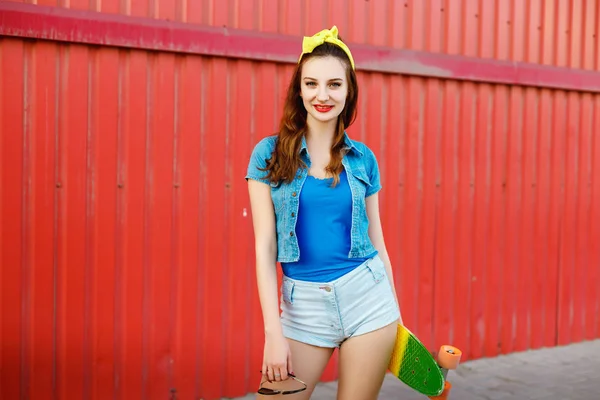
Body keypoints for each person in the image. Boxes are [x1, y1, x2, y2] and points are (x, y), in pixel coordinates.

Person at [245, 26, 403, 399]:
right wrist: (273, 334)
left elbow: (377, 240)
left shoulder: (363, 159)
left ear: (348, 93)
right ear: (299, 91)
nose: (322, 95)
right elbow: (265, 248)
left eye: (334, 85)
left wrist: (395, 314)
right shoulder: (267, 155)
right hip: (303, 310)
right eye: (311, 83)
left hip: (368, 299)